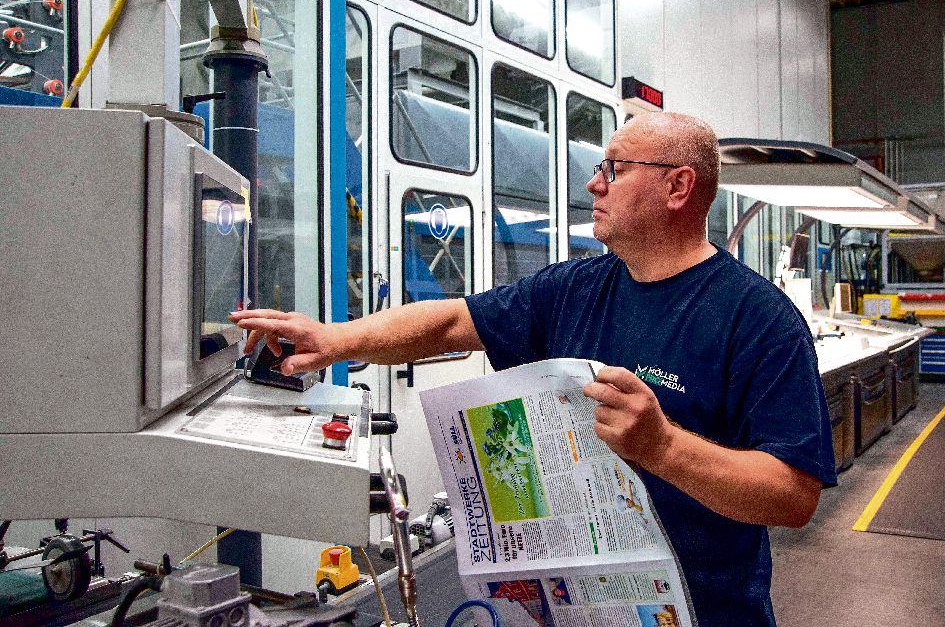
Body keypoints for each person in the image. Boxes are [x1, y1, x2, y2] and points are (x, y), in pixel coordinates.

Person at [230, 112, 837, 626]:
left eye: (615, 169)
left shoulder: (757, 320)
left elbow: (792, 495)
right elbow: (448, 323)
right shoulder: (575, 288)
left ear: (678, 187)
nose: (595, 185)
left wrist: (663, 447)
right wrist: (334, 339)